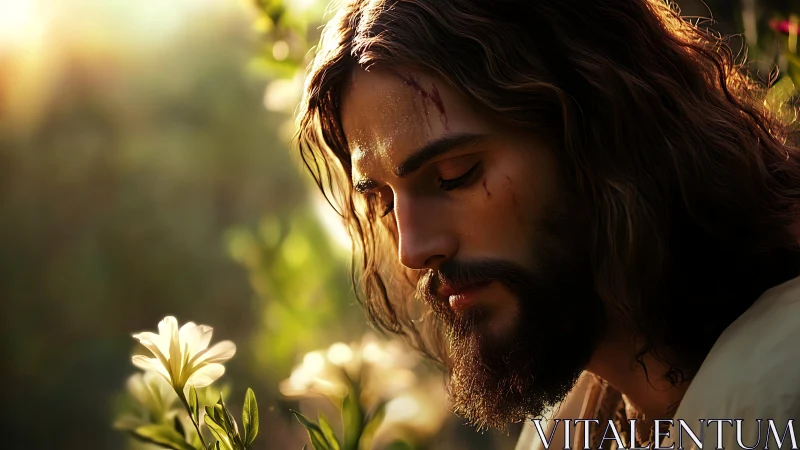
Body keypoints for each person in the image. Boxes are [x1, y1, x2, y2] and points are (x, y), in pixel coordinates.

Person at [293, 0, 800, 448]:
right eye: (383, 201)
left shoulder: (778, 391)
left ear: (601, 129)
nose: (412, 249)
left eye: (455, 175)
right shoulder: (580, 421)